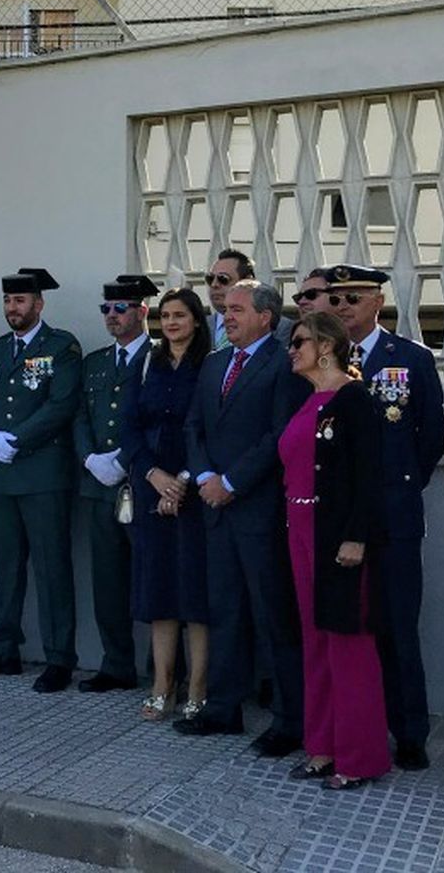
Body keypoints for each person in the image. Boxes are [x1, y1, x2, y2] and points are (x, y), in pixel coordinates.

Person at [320, 264, 444, 771]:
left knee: (397, 626)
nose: (343, 306)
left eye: (353, 297)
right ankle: (352, 727)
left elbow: (430, 434)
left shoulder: (410, 358)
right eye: (336, 298)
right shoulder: (324, 359)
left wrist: (398, 486)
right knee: (348, 627)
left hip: (393, 516)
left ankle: (409, 732)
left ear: (378, 302)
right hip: (338, 518)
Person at [176, 280, 306, 755]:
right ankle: (222, 709)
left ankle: (289, 721)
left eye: (237, 309)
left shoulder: (281, 363)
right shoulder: (213, 365)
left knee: (273, 617)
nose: (226, 315)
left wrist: (231, 483)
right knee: (225, 612)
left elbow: (279, 434)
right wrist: (207, 474)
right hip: (216, 509)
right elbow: (194, 425)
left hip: (258, 509)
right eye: (225, 309)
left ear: (266, 317)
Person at [280, 311, 390, 791]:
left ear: (326, 345)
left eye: (299, 340)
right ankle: (322, 747)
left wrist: (356, 535)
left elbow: (370, 474)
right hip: (301, 529)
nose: (292, 349)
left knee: (349, 643)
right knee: (315, 640)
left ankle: (359, 756)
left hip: (336, 533)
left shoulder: (352, 399)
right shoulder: (309, 400)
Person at [0, 268, 82, 693]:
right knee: (4, 565)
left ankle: (58, 657)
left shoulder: (61, 346)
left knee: (52, 568)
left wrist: (18, 438)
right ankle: (1, 648)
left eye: (21, 301)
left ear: (39, 304)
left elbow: (61, 403)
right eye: (8, 302)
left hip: (42, 473)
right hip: (0, 473)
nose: (13, 308)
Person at [122, 288, 212, 721]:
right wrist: (153, 475)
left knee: (195, 593)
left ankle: (197, 686)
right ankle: (162, 683)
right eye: (165, 316)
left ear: (196, 320)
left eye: (180, 315)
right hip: (152, 488)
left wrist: (184, 481)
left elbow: (212, 429)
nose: (172, 322)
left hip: (195, 492)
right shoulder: (147, 363)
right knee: (158, 588)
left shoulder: (211, 365)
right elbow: (129, 427)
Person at [72, 274, 158, 693]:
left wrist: (125, 461)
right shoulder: (95, 362)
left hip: (141, 482)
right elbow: (80, 415)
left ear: (142, 311)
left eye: (120, 308)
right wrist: (90, 458)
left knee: (154, 577)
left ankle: (163, 669)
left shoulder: (158, 359)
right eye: (106, 309)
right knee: (107, 581)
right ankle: (116, 663)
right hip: (98, 485)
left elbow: (159, 422)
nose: (112, 316)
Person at [205, 249, 255, 351]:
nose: (214, 285)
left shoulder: (275, 327)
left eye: (223, 279)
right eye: (210, 279)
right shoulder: (197, 327)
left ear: (247, 282)